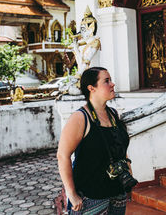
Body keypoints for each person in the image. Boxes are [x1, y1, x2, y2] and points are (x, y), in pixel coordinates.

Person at [57, 67, 133, 214]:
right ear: (91, 88)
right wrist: (71, 193)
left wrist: (128, 175)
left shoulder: (113, 114)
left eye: (110, 80)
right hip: (91, 196)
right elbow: (62, 155)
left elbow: (120, 148)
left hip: (117, 191)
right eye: (106, 81)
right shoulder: (81, 118)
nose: (112, 84)